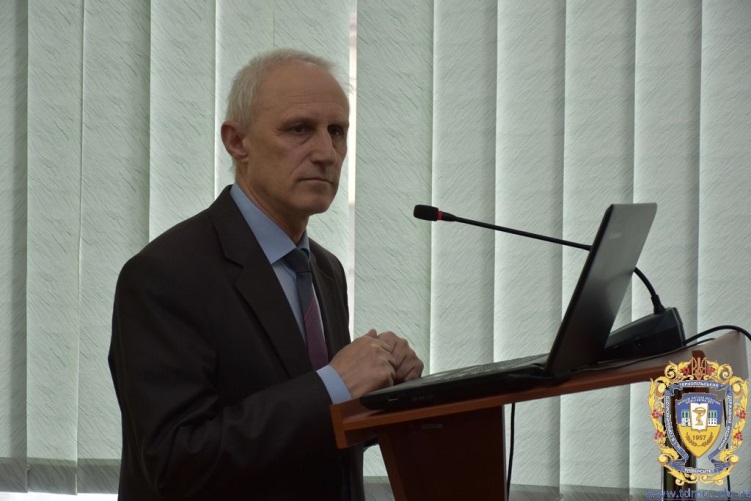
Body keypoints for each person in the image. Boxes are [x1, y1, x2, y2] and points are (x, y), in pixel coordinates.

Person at [108, 49, 424, 501]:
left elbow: (313, 433)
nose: (326, 153)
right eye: (299, 129)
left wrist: (388, 394)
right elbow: (175, 461)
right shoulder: (163, 274)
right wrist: (334, 385)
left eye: (337, 131)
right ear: (237, 141)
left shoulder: (325, 269)